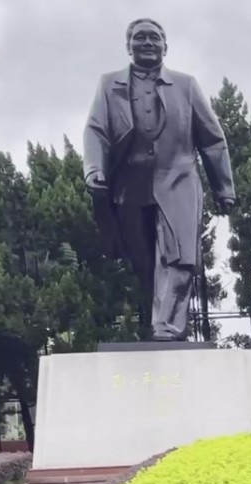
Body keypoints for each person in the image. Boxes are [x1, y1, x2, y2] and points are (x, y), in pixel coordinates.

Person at [82, 18, 236, 342]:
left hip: (178, 179)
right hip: (130, 185)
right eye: (140, 38)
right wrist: (94, 169)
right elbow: (96, 130)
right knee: (144, 264)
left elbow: (211, 139)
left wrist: (224, 188)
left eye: (154, 38)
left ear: (166, 46)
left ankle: (168, 325)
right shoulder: (109, 85)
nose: (148, 43)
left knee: (179, 255)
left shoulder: (186, 85)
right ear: (128, 46)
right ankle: (154, 322)